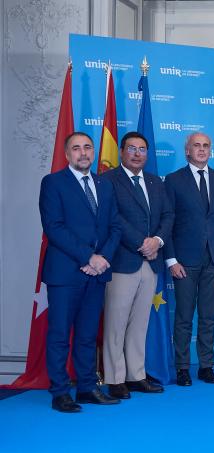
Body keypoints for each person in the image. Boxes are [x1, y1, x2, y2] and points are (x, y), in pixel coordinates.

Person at [39, 132, 121, 412]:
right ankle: (60, 391)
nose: (83, 152)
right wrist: (89, 256)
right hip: (65, 273)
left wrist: (102, 259)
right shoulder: (53, 183)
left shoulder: (105, 184)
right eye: (76, 148)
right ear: (67, 154)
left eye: (87, 147)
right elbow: (54, 227)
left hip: (97, 273)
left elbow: (115, 227)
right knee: (60, 334)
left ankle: (87, 387)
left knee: (87, 334)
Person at [102, 131, 173, 399]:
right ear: (122, 151)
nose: (137, 154)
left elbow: (168, 215)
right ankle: (115, 378)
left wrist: (156, 240)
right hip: (123, 261)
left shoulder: (156, 182)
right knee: (116, 323)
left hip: (151, 262)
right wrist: (141, 242)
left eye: (142, 149)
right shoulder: (109, 180)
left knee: (139, 323)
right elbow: (113, 218)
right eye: (131, 148)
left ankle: (135, 375)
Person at [163, 132, 214, 386]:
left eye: (206, 145)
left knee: (208, 316)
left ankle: (206, 366)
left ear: (211, 150)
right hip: (184, 260)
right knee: (184, 316)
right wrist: (171, 259)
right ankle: (182, 367)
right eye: (197, 145)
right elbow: (167, 223)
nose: (202, 149)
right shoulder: (173, 181)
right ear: (187, 151)